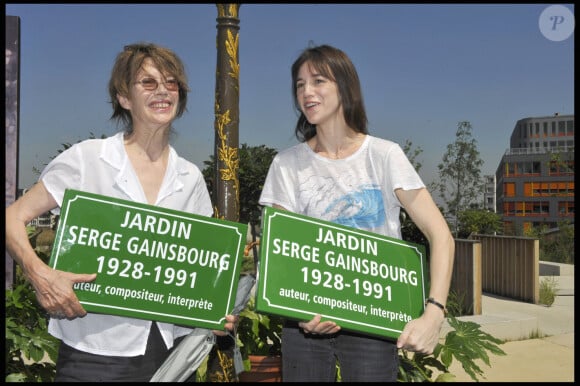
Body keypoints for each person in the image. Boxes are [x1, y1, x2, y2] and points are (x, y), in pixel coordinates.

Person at [5, 42, 237, 382]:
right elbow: (12, 217)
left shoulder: (191, 178)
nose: (163, 91)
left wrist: (214, 311)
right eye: (148, 82)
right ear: (124, 97)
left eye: (171, 83)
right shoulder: (86, 159)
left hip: (169, 354)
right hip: (92, 352)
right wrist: (41, 275)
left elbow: (198, 268)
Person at [258, 44, 455, 382]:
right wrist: (299, 311)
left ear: (345, 87)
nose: (306, 92)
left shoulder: (385, 155)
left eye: (318, 81)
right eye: (300, 84)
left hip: (374, 322)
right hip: (305, 325)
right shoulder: (286, 164)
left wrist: (433, 314)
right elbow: (277, 251)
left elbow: (441, 236)